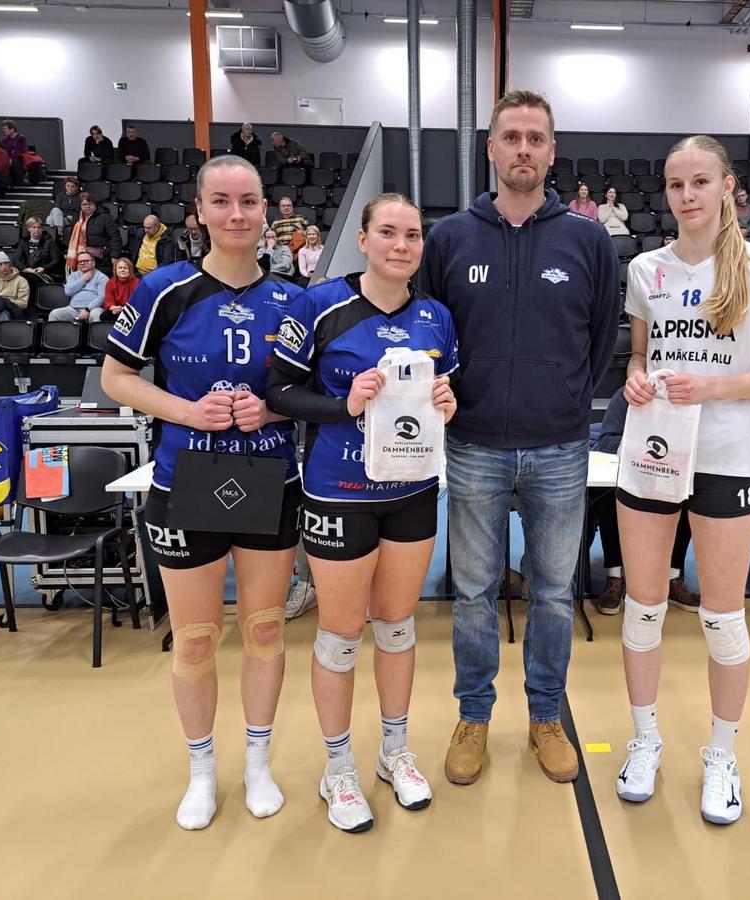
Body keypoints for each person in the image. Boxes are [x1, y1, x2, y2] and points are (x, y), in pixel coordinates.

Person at [417, 89, 619, 787]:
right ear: (492, 149)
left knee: (555, 593)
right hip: (473, 443)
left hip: (560, 446)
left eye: (536, 138)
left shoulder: (588, 240)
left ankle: (546, 716)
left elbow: (601, 339)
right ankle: (473, 715)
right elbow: (431, 331)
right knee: (473, 593)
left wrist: (563, 398)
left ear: (552, 151)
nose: (524, 149)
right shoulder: (449, 238)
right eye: (512, 137)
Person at [100, 153, 303, 831]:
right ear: (199, 211)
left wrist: (273, 409)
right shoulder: (163, 289)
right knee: (193, 638)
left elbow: (312, 389)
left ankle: (258, 763)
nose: (236, 214)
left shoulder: (293, 300)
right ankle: (201, 770)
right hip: (186, 479)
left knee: (265, 628)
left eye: (248, 201)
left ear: (266, 210)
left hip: (271, 478)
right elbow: (116, 378)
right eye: (222, 201)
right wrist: (187, 412)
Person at [615, 134, 750, 823]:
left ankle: (722, 754)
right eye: (675, 184)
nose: (687, 195)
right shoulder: (646, 269)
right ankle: (645, 739)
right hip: (654, 451)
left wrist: (713, 387)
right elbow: (639, 357)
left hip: (724, 456)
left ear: (727, 188)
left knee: (722, 617)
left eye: (699, 181)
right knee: (644, 607)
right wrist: (637, 380)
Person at [265, 192, 458, 833]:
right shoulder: (319, 305)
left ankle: (395, 752)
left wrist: (448, 402)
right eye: (389, 232)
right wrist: (343, 404)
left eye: (412, 235)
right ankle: (338, 766)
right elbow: (279, 392)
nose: (401, 245)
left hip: (412, 492)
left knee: (397, 626)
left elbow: (448, 391)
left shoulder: (436, 316)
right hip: (339, 492)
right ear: (364, 240)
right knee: (342, 633)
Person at [589, 387, 699, 615]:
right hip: (633, 472)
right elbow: (607, 440)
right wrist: (642, 455)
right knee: (609, 496)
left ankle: (673, 577)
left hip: (671, 477)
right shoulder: (627, 394)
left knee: (687, 497)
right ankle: (614, 576)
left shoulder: (688, 397)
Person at [64, 193, 123, 271]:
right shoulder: (77, 218)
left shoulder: (105, 217)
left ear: (95, 204)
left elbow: (115, 237)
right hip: (81, 259)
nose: (87, 206)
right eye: (84, 204)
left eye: (90, 204)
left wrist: (114, 256)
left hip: (101, 260)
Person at [52, 251, 108, 322]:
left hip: (93, 309)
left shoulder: (102, 277)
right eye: (80, 261)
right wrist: (82, 280)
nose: (82, 263)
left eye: (86, 261)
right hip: (73, 309)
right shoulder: (74, 275)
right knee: (54, 314)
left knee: (96, 314)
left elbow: (102, 297)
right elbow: (68, 292)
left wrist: (88, 309)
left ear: (93, 263)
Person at [12, 216, 62, 293]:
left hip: (45, 273)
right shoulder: (24, 241)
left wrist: (44, 268)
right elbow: (16, 259)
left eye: (39, 227)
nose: (36, 230)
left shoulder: (49, 241)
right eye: (34, 227)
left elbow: (56, 260)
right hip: (28, 271)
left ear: (42, 229)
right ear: (28, 229)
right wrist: (26, 269)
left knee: (31, 279)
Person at [100, 257, 140, 321]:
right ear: (115, 270)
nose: (122, 270)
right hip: (115, 309)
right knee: (104, 316)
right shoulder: (111, 282)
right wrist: (113, 307)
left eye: (125, 268)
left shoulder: (137, 282)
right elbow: (108, 300)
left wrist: (123, 309)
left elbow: (137, 301)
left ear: (130, 270)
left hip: (131, 310)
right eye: (120, 268)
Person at [0, 120, 28, 185]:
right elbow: (5, 151)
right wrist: (9, 157)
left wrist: (11, 157)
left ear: (12, 129)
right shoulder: (4, 140)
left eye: (5, 129)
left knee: (15, 160)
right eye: (3, 129)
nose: (4, 130)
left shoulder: (21, 138)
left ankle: (19, 181)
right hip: (8, 158)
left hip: (20, 159)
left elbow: (22, 150)